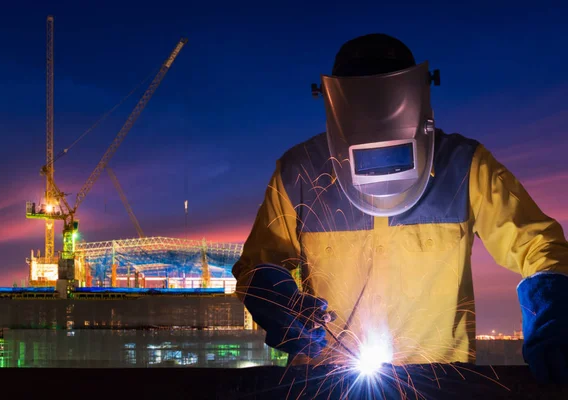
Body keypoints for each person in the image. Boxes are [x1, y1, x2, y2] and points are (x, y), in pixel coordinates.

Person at [232, 33, 568, 383]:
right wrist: (277, 300)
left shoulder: (466, 166)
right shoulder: (299, 172)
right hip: (326, 383)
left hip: (438, 384)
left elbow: (541, 247)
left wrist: (554, 317)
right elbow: (259, 263)